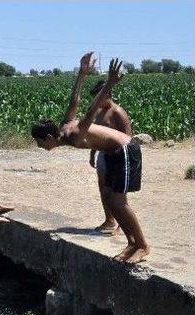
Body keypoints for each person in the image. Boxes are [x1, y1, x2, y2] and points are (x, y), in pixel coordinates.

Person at [31, 56, 149, 264]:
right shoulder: (65, 125)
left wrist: (110, 82)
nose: (40, 147)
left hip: (125, 150)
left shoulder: (74, 134)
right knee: (109, 198)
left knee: (117, 202)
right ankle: (131, 243)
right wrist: (81, 74)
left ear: (50, 138)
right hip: (113, 154)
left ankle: (142, 245)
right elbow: (74, 101)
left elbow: (91, 109)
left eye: (40, 143)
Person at [66, 52, 133, 235]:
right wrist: (92, 154)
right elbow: (93, 136)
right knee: (103, 189)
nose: (96, 98)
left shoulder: (117, 112)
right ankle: (109, 219)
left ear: (107, 94)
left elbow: (127, 136)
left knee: (116, 193)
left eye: (98, 95)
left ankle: (120, 224)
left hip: (117, 155)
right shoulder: (98, 114)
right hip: (103, 155)